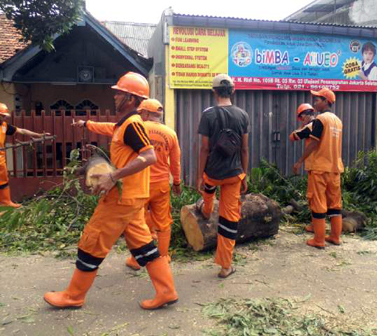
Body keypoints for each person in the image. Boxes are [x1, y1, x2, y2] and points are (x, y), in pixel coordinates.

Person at [44, 72, 178, 310]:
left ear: (130, 97)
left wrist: (113, 176)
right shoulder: (123, 125)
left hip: (122, 197)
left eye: (119, 92)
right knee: (144, 245)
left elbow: (149, 157)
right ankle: (166, 291)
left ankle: (74, 296)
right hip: (132, 197)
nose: (114, 96)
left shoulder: (132, 125)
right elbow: (125, 155)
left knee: (92, 240)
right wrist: (89, 168)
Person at [77, 98, 182, 266]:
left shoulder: (135, 126)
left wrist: (86, 124)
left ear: (145, 112)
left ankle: (136, 259)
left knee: (138, 220)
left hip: (139, 184)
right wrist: (176, 182)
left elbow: (107, 127)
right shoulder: (170, 134)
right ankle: (163, 258)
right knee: (163, 221)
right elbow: (175, 162)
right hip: (161, 184)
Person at [196, 74, 250, 279]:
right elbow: (244, 149)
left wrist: (200, 175)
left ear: (214, 92)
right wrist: (244, 175)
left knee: (208, 190)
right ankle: (225, 266)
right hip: (233, 175)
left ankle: (207, 209)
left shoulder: (208, 114)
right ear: (233, 91)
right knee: (229, 220)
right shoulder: (243, 115)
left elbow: (204, 149)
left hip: (212, 173)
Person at [292, 88, 344, 249]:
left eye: (318, 99)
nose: (315, 103)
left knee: (318, 203)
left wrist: (300, 161)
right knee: (335, 204)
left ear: (326, 101)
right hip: (335, 168)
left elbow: (314, 142)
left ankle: (319, 240)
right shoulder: (338, 121)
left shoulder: (321, 120)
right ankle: (335, 237)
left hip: (319, 167)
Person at [0, 102, 50, 208]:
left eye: (5, 116)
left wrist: (39, 135)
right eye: (2, 116)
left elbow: (21, 131)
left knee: (4, 180)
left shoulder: (4, 126)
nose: (4, 118)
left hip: (1, 158)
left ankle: (6, 202)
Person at [289, 103, 316, 233]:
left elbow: (293, 136)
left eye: (301, 117)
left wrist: (302, 125)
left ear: (304, 116)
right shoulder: (327, 122)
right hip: (329, 165)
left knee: (314, 198)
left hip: (316, 166)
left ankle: (315, 227)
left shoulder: (311, 126)